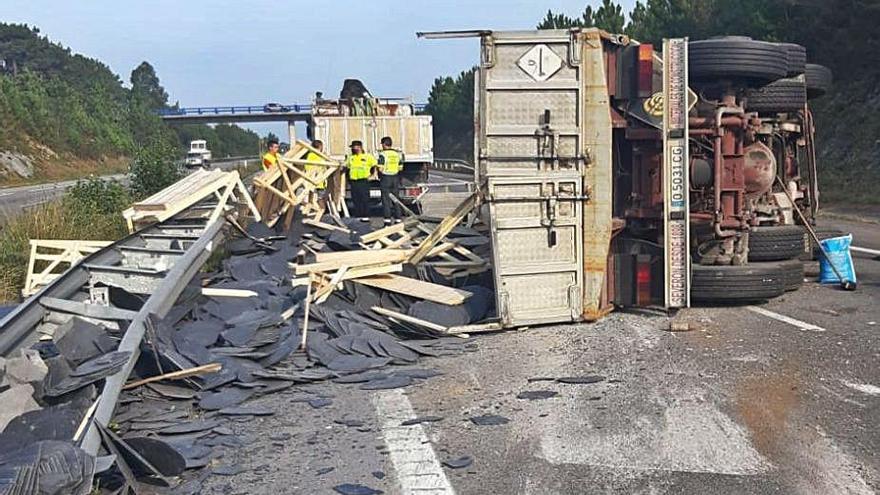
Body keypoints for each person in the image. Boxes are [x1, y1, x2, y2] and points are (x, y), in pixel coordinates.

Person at [345, 140, 376, 219]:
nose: (352, 149)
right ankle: (358, 216)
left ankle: (365, 216)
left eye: (353, 147)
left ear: (359, 147)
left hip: (363, 180)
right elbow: (346, 166)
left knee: (364, 199)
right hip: (354, 181)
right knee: (355, 199)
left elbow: (375, 165)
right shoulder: (351, 157)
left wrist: (374, 175)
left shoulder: (367, 157)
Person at [377, 136, 404, 224]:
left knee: (386, 200)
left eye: (382, 144)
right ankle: (398, 219)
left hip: (386, 178)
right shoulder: (397, 154)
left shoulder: (383, 155)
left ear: (384, 144)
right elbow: (400, 168)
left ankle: (387, 221)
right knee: (396, 199)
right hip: (395, 178)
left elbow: (380, 169)